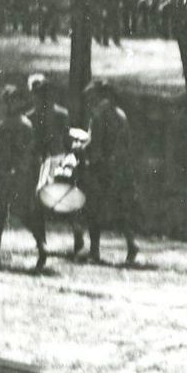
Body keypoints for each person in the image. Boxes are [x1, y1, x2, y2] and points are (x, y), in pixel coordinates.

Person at [0, 83, 43, 269]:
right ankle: (41, 245)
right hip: (22, 176)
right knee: (23, 213)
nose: (2, 106)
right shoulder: (27, 124)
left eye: (4, 102)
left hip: (2, 176)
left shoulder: (4, 125)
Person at [80, 80, 139, 266]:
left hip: (103, 169)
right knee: (120, 209)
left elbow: (95, 146)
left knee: (93, 210)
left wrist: (80, 148)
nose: (90, 101)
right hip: (121, 169)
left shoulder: (98, 116)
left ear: (99, 96)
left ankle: (94, 252)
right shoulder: (120, 114)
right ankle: (131, 244)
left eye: (92, 97)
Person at [26, 73, 84, 260]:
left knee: (39, 202)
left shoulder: (32, 117)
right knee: (62, 196)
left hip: (44, 161)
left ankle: (42, 241)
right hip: (58, 159)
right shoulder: (61, 114)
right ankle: (75, 229)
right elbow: (67, 138)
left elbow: (33, 143)